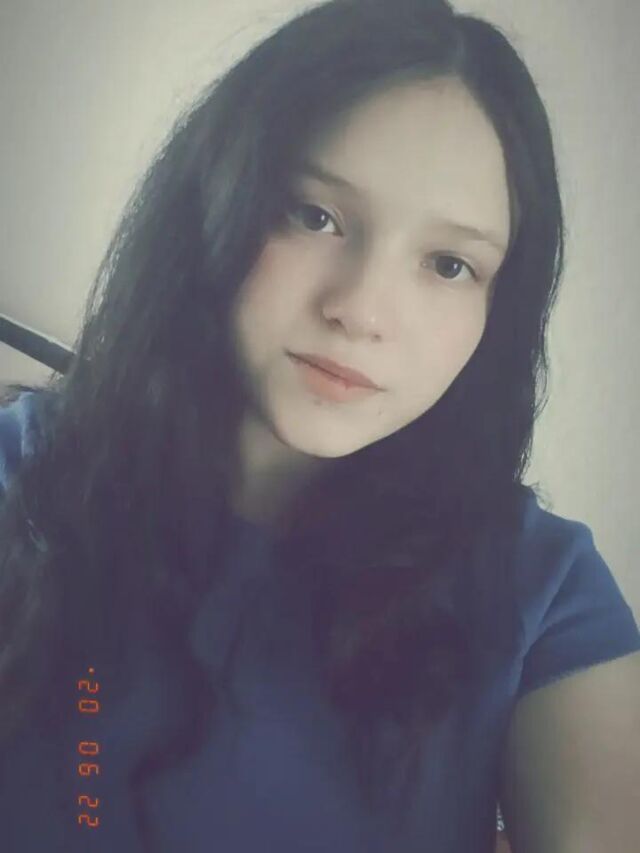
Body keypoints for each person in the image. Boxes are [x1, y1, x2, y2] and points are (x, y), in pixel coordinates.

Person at [0, 1, 638, 851]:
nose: (361, 309)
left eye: (449, 264)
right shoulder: (27, 476)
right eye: (315, 215)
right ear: (216, 201)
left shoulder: (544, 594)